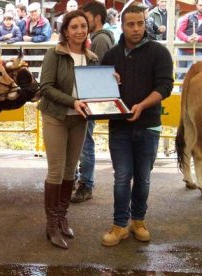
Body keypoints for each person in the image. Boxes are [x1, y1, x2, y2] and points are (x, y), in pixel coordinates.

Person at [100, 5, 173, 247]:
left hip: (149, 125)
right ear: (122, 26)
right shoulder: (110, 56)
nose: (136, 29)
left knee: (143, 178)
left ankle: (138, 221)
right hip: (119, 127)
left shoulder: (159, 53)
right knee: (122, 177)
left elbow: (165, 87)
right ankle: (120, 225)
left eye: (140, 23)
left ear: (145, 23)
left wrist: (142, 105)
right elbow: (99, 93)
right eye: (131, 24)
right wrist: (110, 84)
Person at [37, 10, 98, 249]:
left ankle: (62, 217)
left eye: (83, 26)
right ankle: (51, 225)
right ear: (65, 31)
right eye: (74, 27)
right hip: (56, 116)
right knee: (56, 170)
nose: (80, 31)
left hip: (79, 120)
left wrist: (111, 82)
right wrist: (72, 102)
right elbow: (46, 87)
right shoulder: (55, 53)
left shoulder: (91, 57)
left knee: (70, 170)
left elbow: (94, 89)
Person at [72, 0, 115, 204]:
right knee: (83, 141)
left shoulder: (99, 40)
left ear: (97, 18)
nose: (83, 24)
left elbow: (95, 73)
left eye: (86, 19)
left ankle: (86, 183)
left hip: (90, 97)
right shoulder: (100, 38)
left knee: (84, 142)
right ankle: (81, 179)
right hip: (89, 96)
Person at [176, 0, 202, 79]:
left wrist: (199, 38)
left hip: (198, 50)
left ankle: (191, 92)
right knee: (181, 75)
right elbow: (179, 32)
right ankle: (181, 91)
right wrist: (187, 38)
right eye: (201, 5)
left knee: (193, 76)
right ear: (197, 5)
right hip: (183, 50)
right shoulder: (188, 16)